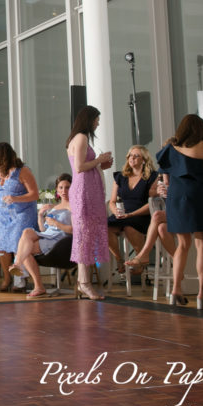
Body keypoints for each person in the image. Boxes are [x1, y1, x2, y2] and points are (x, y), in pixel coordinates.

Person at [156, 114, 203, 310]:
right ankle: (202, 295)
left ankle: (176, 290)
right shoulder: (202, 146)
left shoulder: (170, 149)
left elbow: (165, 180)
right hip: (196, 194)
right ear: (199, 129)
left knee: (182, 245)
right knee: (202, 245)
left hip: (176, 196)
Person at [66, 105, 113, 301]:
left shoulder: (77, 139)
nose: (98, 123)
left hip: (88, 190)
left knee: (86, 235)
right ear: (89, 120)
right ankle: (84, 282)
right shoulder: (81, 138)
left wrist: (101, 164)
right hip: (84, 192)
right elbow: (79, 167)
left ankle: (84, 282)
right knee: (84, 237)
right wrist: (99, 159)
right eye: (96, 119)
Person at [0, 142, 39, 291]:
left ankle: (20, 281)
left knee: (18, 243)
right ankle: (6, 278)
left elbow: (34, 194)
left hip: (22, 212)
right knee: (3, 246)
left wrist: (16, 198)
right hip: (3, 213)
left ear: (1, 156)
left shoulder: (23, 171)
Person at [12, 173, 74, 298]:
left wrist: (56, 223)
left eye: (67, 187)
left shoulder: (74, 207)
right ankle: (18, 264)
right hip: (48, 235)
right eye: (61, 187)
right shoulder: (55, 206)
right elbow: (43, 229)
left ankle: (36, 284)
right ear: (57, 189)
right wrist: (40, 216)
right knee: (26, 232)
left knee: (25, 249)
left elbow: (73, 230)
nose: (64, 191)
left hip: (61, 240)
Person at [106, 145, 159, 275]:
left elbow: (152, 203)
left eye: (136, 156)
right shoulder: (120, 177)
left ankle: (139, 258)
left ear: (144, 160)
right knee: (104, 227)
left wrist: (131, 214)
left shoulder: (152, 177)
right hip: (122, 214)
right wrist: (116, 212)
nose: (132, 158)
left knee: (129, 227)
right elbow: (112, 202)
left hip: (141, 215)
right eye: (130, 155)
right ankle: (119, 259)